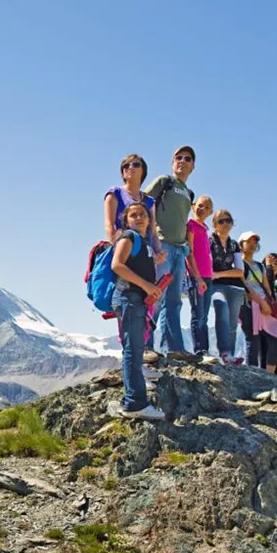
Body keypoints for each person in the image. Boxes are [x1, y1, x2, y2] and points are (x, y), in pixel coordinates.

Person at [110, 202, 166, 420]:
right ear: (126, 220)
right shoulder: (129, 237)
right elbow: (117, 265)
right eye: (133, 215)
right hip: (128, 298)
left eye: (143, 214)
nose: (139, 217)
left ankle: (131, 401)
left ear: (150, 220)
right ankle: (135, 404)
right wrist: (147, 286)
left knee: (133, 350)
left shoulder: (144, 242)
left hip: (135, 300)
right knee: (133, 351)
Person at [144, 146, 196, 357]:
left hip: (179, 250)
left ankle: (173, 348)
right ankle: (145, 346)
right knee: (154, 295)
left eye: (187, 158)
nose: (182, 161)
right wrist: (152, 239)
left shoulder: (189, 193)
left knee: (174, 300)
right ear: (173, 163)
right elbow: (143, 203)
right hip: (162, 246)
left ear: (193, 166)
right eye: (178, 158)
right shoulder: (164, 182)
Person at [238, 231, 277, 373]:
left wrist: (268, 300)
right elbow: (244, 285)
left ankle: (269, 374)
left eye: (255, 242)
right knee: (253, 339)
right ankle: (252, 372)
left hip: (263, 302)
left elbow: (266, 286)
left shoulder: (260, 266)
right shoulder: (238, 263)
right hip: (248, 303)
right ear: (241, 245)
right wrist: (261, 302)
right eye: (249, 242)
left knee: (275, 337)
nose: (252, 245)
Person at [103, 154, 162, 257]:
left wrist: (158, 252)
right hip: (124, 250)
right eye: (126, 166)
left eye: (135, 164)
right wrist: (117, 251)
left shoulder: (150, 201)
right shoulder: (115, 193)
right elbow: (109, 225)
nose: (130, 167)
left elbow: (152, 232)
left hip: (146, 253)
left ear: (143, 171)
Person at [208, 210, 245, 365]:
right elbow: (208, 267)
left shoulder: (234, 244)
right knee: (221, 308)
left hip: (235, 286)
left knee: (232, 322)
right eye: (222, 221)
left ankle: (230, 356)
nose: (226, 224)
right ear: (215, 224)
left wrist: (218, 274)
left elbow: (240, 270)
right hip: (215, 287)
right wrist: (220, 274)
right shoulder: (209, 241)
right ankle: (224, 351)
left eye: (229, 221)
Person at [186, 196, 213, 358]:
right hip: (197, 277)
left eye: (207, 207)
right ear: (193, 206)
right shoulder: (191, 225)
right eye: (200, 205)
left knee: (204, 315)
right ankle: (199, 350)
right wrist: (197, 277)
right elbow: (189, 252)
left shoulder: (204, 228)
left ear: (210, 212)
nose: (203, 209)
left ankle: (206, 349)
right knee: (197, 313)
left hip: (208, 276)